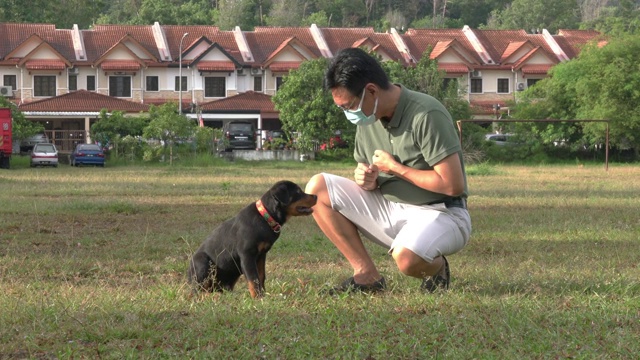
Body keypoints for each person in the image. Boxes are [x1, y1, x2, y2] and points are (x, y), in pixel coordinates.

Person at [305, 48, 472, 294]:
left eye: (349, 106)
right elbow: (368, 170)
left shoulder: (426, 114)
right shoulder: (369, 118)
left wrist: (395, 168)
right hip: (391, 206)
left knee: (408, 260)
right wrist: (366, 179)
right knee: (316, 189)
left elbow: (452, 185)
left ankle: (437, 269)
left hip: (442, 212)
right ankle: (367, 276)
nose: (348, 114)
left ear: (371, 91)